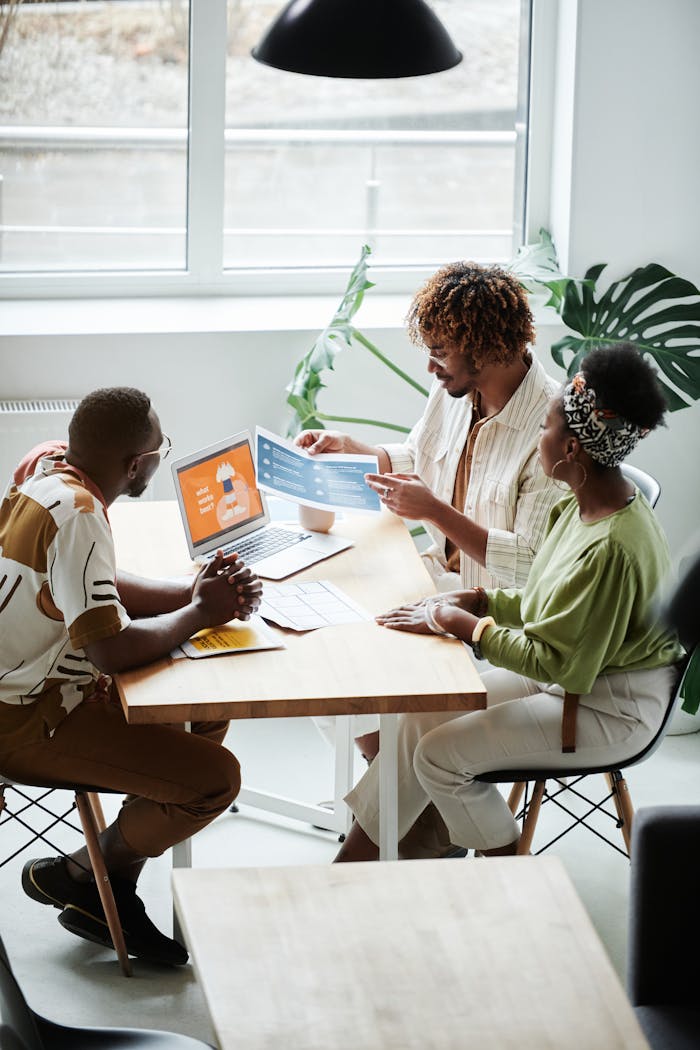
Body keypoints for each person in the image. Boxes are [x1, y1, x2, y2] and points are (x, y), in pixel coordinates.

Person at [334, 343, 684, 862]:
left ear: (571, 449)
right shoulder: (581, 506)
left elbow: (560, 663)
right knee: (421, 717)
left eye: (544, 427)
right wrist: (479, 600)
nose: (537, 438)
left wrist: (465, 626)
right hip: (573, 675)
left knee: (438, 757)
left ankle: (512, 876)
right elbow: (549, 602)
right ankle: (357, 864)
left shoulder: (612, 546)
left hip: (609, 706)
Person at [296, 261, 561, 855]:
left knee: (409, 706)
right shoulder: (455, 393)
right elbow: (419, 454)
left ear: (484, 349)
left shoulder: (551, 429)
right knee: (322, 647)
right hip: (436, 583)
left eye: (440, 352)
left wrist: (436, 512)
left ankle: (376, 844)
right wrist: (358, 450)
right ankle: (421, 809)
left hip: (496, 614)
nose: (431, 365)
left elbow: (533, 567)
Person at [0, 387, 262, 966]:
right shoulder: (82, 515)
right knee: (215, 781)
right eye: (159, 451)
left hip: (43, 694)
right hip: (29, 720)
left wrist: (193, 593)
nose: (159, 459)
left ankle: (106, 886)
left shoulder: (49, 474)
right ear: (136, 464)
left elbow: (99, 583)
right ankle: (86, 873)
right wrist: (200, 613)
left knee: (205, 708)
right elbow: (110, 652)